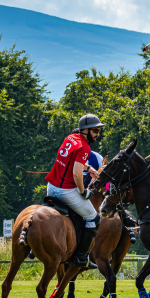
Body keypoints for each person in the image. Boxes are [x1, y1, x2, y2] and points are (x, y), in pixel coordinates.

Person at [44, 114, 105, 268]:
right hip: (66, 191)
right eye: (96, 131)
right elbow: (76, 174)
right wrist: (83, 192)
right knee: (93, 218)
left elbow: (72, 160)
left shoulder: (70, 138)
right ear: (85, 130)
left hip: (51, 187)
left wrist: (88, 167)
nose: (98, 134)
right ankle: (81, 257)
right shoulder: (85, 147)